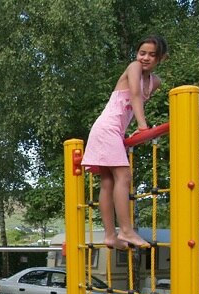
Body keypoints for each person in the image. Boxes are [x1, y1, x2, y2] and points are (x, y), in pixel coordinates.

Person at [81, 35, 167, 250]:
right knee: (124, 176)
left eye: (152, 55)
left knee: (109, 182)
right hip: (107, 128)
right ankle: (126, 230)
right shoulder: (133, 67)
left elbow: (131, 106)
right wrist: (142, 125)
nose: (145, 58)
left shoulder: (155, 81)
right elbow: (135, 96)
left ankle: (110, 235)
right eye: (142, 52)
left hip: (115, 132)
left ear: (161, 58)